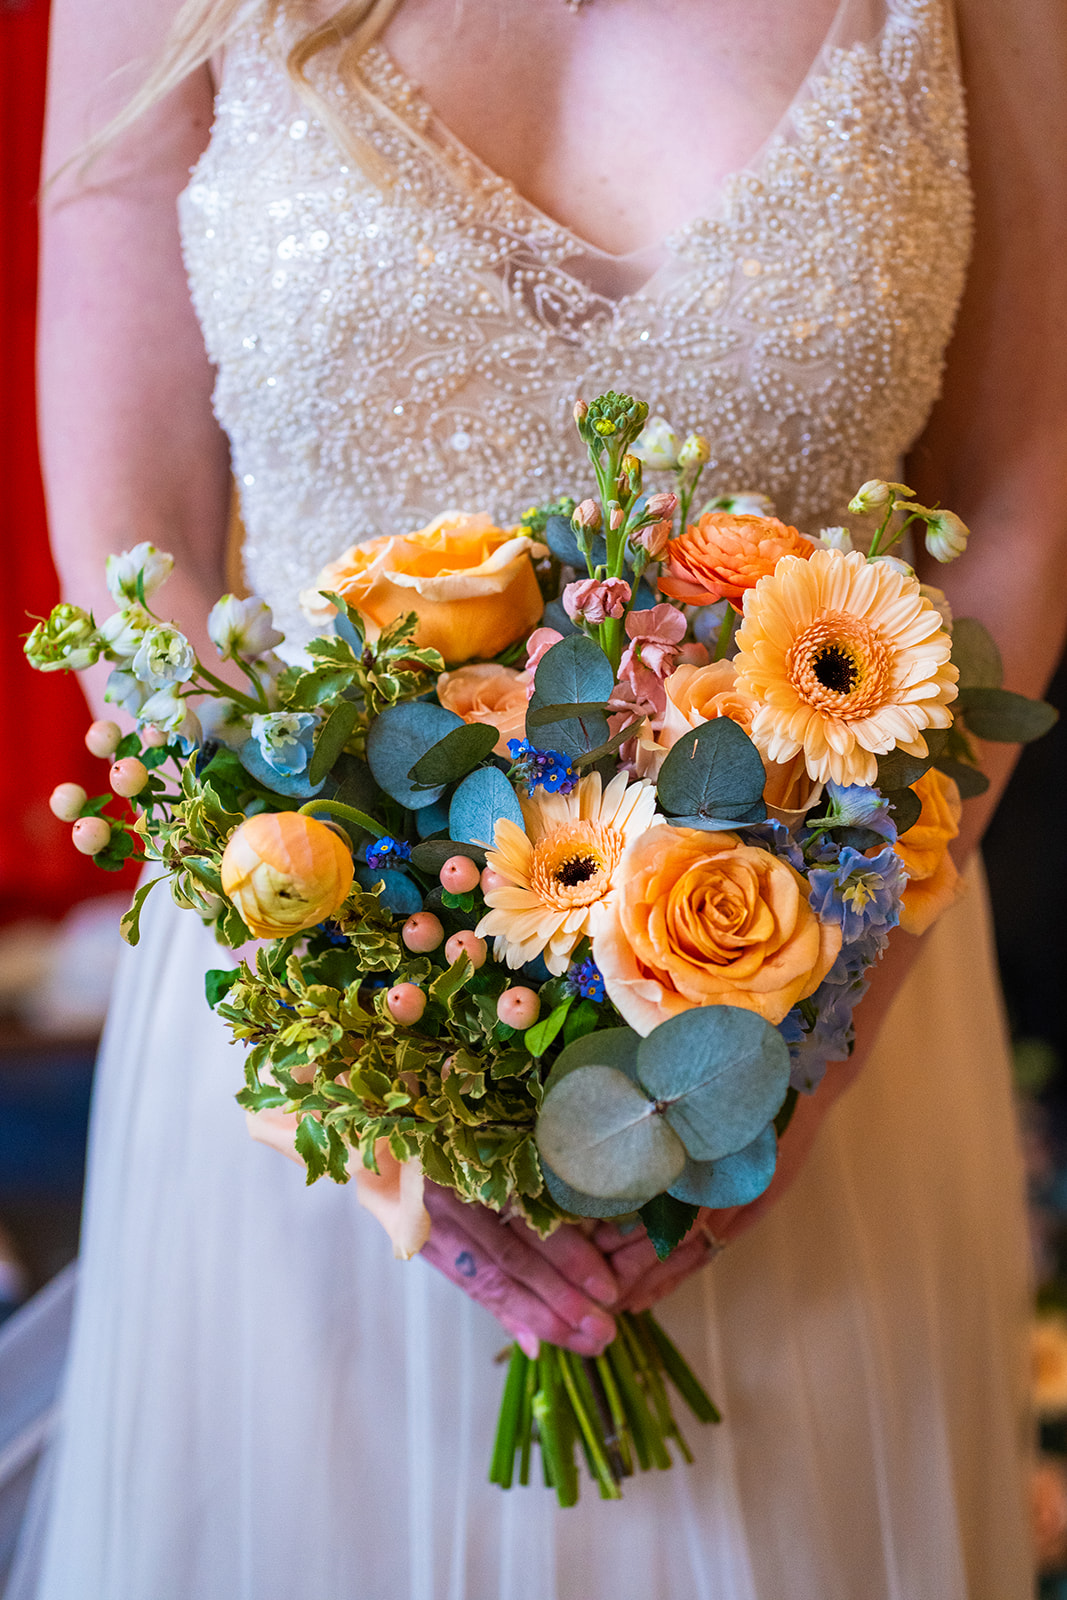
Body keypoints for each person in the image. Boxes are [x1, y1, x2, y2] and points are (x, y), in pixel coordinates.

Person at [8, 0, 1066, 1593]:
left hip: (828, 1033)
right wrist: (361, 1056)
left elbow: (1018, 501)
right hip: (308, 1056)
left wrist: (811, 1033)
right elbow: (132, 552)